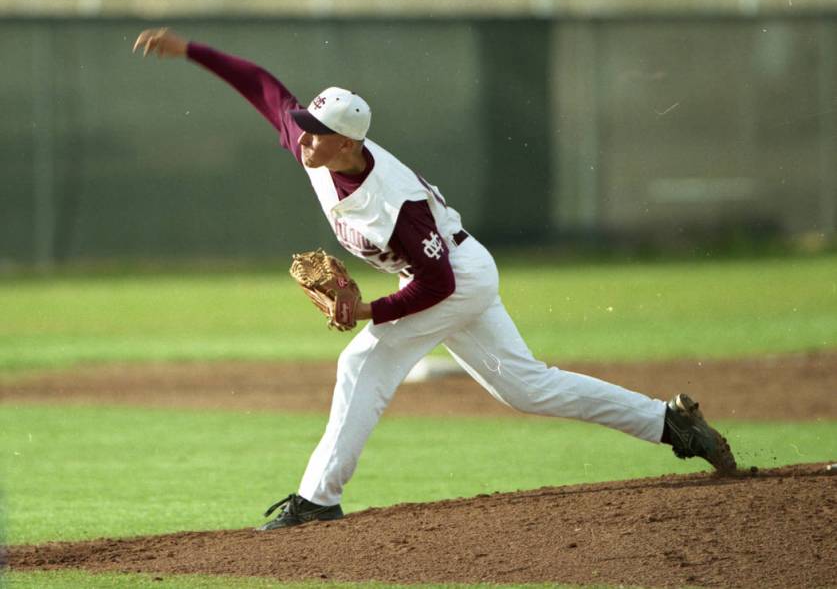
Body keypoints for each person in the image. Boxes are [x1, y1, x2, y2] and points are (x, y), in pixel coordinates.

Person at [133, 28, 737, 530]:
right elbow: (264, 88)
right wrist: (191, 51)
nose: (301, 136)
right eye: (303, 126)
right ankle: (669, 422)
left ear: (347, 142)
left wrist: (367, 311)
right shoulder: (318, 150)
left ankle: (317, 499)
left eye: (313, 131)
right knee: (527, 388)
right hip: (449, 270)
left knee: (361, 363)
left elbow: (438, 285)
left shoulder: (392, 203)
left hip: (456, 276)